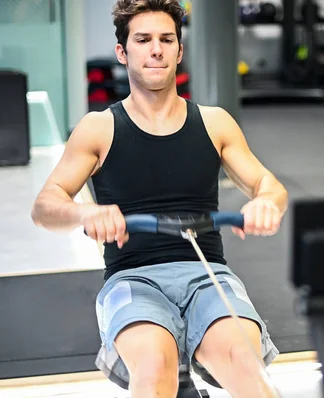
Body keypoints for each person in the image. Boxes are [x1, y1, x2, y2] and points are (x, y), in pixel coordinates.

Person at [30, 0, 287, 397]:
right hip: (132, 279)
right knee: (154, 369)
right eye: (143, 39)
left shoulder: (215, 122)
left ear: (179, 51)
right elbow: (45, 206)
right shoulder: (99, 128)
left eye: (167, 39)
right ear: (123, 51)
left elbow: (268, 185)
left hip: (207, 276)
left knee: (245, 367)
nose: (156, 49)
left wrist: (265, 202)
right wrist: (86, 212)